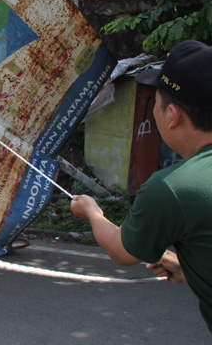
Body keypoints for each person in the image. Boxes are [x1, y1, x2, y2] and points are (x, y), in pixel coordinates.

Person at [70, 40, 212, 332]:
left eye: (155, 103)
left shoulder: (172, 188)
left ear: (172, 116)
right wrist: (195, 268)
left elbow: (123, 251)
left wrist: (92, 211)